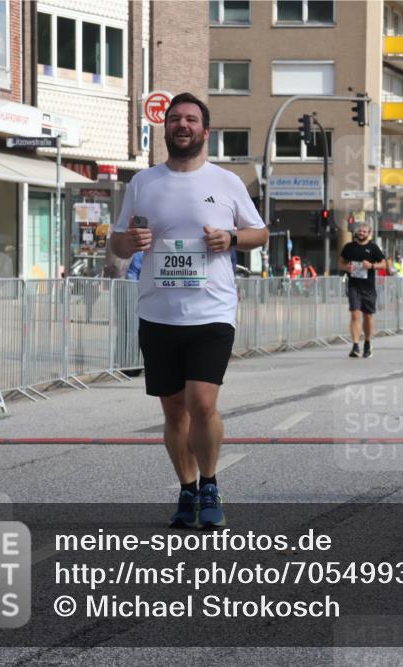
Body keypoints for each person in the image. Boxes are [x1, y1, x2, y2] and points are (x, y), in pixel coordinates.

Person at [109, 93, 269, 529]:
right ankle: (187, 489)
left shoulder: (227, 182)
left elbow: (260, 233)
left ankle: (210, 483)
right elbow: (117, 242)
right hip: (158, 312)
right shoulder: (143, 182)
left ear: (205, 131)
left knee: (202, 402)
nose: (182, 125)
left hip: (212, 310)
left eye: (191, 119)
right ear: (166, 128)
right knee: (174, 409)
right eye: (175, 118)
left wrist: (231, 239)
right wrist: (128, 243)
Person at [339, 222, 386, 358]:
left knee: (368, 316)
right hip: (353, 285)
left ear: (368, 234)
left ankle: (367, 342)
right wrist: (346, 268)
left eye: (364, 231)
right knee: (355, 314)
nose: (361, 233)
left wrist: (371, 266)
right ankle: (355, 346)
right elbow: (340, 262)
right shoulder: (349, 247)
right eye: (360, 231)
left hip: (368, 287)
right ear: (356, 232)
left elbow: (384, 264)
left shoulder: (373, 248)